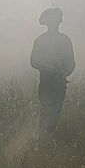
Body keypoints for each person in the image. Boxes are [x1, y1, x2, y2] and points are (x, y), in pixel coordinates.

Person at [30, 8, 75, 136]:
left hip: (60, 83)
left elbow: (71, 62)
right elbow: (33, 61)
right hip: (46, 83)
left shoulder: (65, 40)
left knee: (55, 112)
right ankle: (43, 139)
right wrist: (47, 67)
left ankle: (49, 138)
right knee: (46, 111)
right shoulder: (40, 41)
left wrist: (63, 73)